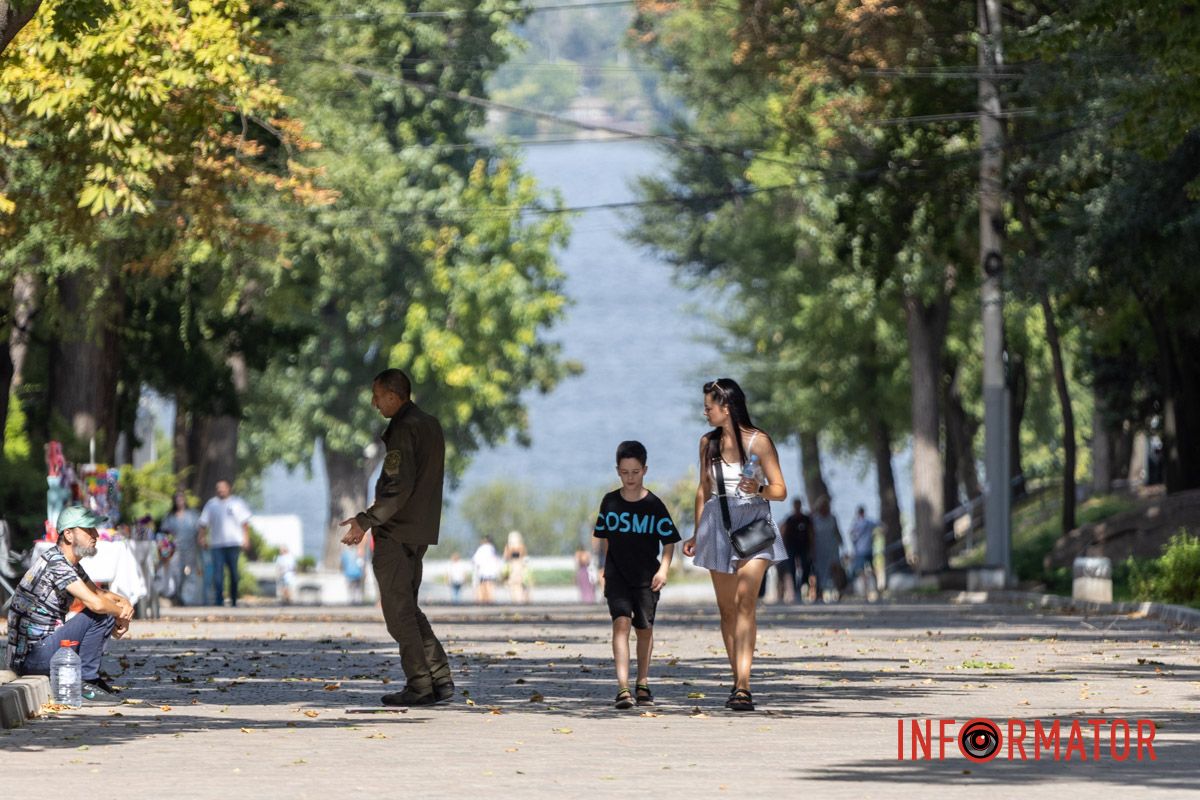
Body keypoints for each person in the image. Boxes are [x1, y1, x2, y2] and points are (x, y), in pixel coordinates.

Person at [339, 368, 453, 707]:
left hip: (397, 532)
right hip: (419, 531)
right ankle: (440, 678)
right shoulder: (430, 425)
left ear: (393, 395)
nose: (374, 403)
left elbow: (396, 487)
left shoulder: (405, 428)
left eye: (377, 396)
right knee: (410, 610)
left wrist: (365, 520)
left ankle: (420, 684)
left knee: (398, 614)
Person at [683, 378, 788, 712]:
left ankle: (744, 685)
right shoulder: (707, 444)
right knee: (727, 609)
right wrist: (697, 531)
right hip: (718, 524)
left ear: (726, 406)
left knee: (745, 601)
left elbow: (780, 490)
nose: (705, 411)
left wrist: (758, 488)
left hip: (755, 526)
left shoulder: (759, 442)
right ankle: (736, 678)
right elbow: (703, 490)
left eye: (709, 406)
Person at [6, 507, 134, 704]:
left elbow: (99, 593)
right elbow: (96, 603)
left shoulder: (67, 562)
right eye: (89, 530)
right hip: (32, 657)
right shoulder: (57, 564)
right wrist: (119, 614)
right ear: (68, 534)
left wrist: (125, 604)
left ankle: (88, 679)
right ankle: (85, 681)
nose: (96, 535)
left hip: (38, 652)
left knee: (105, 607)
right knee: (102, 612)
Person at [592, 440, 680, 709]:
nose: (630, 478)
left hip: (646, 577)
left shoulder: (654, 505)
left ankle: (642, 683)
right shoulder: (609, 502)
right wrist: (600, 568)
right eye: (625, 472)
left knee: (644, 628)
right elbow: (602, 538)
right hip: (616, 574)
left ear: (645, 470)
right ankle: (622, 688)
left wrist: (664, 569)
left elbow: (669, 540)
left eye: (635, 472)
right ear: (617, 471)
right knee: (621, 623)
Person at [197, 478, 252, 607]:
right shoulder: (211, 504)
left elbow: (245, 523)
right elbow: (203, 523)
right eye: (218, 488)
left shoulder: (237, 503)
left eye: (223, 487)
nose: (221, 490)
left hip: (233, 543)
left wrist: (246, 539)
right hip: (217, 544)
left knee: (233, 573)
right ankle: (219, 600)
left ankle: (233, 599)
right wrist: (202, 538)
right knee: (218, 574)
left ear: (229, 488)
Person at [160, 491, 203, 606]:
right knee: (176, 574)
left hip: (190, 549)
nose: (179, 501)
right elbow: (164, 533)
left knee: (190, 573)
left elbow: (200, 530)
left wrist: (201, 540)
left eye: (181, 499)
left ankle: (189, 599)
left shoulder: (193, 515)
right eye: (177, 499)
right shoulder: (170, 516)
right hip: (175, 550)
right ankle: (178, 597)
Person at [779, 498, 813, 603]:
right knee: (792, 568)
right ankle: (794, 590)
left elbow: (811, 533)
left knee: (806, 566)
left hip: (804, 547)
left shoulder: (806, 519)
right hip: (791, 547)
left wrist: (812, 548)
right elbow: (783, 533)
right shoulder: (790, 519)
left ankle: (802, 586)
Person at [810, 495, 843, 603]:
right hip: (820, 549)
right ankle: (819, 594)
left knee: (835, 570)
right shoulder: (814, 519)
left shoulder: (832, 518)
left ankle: (838, 592)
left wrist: (842, 544)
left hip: (832, 548)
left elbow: (837, 532)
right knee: (819, 572)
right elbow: (811, 535)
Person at [848, 506, 879, 598]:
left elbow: (850, 534)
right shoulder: (869, 522)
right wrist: (874, 537)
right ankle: (876, 590)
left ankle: (865, 592)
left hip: (860, 551)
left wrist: (854, 543)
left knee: (862, 572)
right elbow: (883, 526)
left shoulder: (856, 523)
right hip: (869, 549)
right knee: (872, 570)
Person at [503, 530, 529, 604]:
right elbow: (506, 561)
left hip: (519, 576)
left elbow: (524, 562)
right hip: (512, 576)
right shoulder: (508, 551)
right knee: (513, 593)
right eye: (511, 542)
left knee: (520, 592)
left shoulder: (521, 550)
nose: (513, 545)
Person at [472, 535, 500, 604]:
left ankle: (484, 604)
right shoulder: (493, 549)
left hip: (483, 572)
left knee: (483, 588)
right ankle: (491, 602)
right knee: (490, 587)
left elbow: (475, 560)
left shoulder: (482, 548)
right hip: (491, 572)